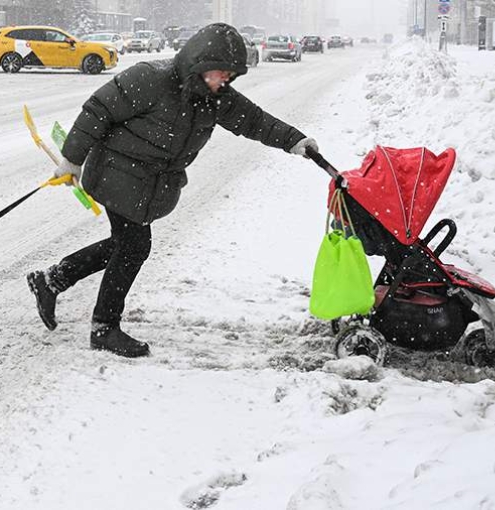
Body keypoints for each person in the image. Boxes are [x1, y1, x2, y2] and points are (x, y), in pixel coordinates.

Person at [26, 23, 319, 358]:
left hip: (147, 183)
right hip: (116, 173)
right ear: (200, 62)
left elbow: (255, 121)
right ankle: (103, 327)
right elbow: (98, 110)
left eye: (229, 75)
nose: (224, 81)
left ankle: (52, 280)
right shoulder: (151, 78)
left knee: (126, 245)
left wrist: (295, 140)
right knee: (134, 247)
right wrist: (72, 160)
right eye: (220, 72)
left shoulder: (216, 98)